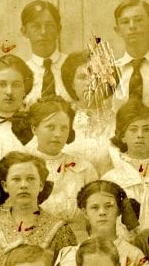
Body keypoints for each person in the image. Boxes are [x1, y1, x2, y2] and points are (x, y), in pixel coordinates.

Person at [53, 180, 149, 266]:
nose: (102, 212)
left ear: (118, 210)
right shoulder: (74, 254)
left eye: (108, 206)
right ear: (85, 212)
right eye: (95, 207)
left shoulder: (134, 255)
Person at [23, 96, 98, 239]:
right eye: (50, 127)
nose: (58, 134)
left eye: (64, 128)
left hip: (79, 243)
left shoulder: (84, 168)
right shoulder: (21, 166)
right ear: (34, 129)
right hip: (36, 241)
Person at [101, 99, 149, 231]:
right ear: (123, 136)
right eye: (133, 130)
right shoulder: (111, 179)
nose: (140, 135)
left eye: (146, 130)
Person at [62, 47, 119, 176]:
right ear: (72, 83)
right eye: (82, 77)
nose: (90, 83)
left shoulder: (119, 123)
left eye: (97, 77)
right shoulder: (62, 120)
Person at [111, 0, 149, 109]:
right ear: (118, 31)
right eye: (125, 22)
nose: (132, 26)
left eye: (138, 20)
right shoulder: (110, 72)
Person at [20, 0, 69, 104]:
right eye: (36, 26)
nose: (43, 32)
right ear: (24, 31)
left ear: (58, 29)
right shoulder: (20, 72)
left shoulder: (74, 67)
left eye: (49, 25)